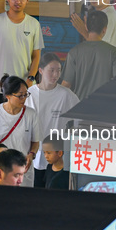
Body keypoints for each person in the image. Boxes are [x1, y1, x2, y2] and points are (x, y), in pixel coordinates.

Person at [0, 0, 44, 106]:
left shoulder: (34, 24)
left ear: (28, 0)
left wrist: (30, 79)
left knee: (22, 121)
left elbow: (36, 56)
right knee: (0, 121)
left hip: (23, 85)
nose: (18, 2)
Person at [25, 53, 79, 187]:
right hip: (34, 157)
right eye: (52, 70)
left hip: (57, 160)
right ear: (41, 70)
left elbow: (80, 120)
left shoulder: (66, 96)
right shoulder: (29, 94)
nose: (56, 75)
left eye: (59, 71)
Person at [0, 75, 40, 187]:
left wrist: (31, 155)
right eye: (20, 96)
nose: (24, 98)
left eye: (26, 94)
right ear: (8, 96)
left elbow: (35, 142)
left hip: (22, 174)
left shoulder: (31, 114)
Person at [62, 10, 116, 100]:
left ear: (86, 27)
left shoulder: (74, 52)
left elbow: (65, 86)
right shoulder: (114, 53)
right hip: (104, 107)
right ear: (104, 30)